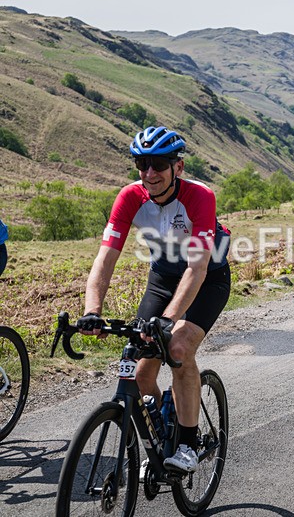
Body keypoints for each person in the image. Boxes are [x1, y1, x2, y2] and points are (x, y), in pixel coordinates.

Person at [77, 126, 231, 474]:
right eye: (141, 163)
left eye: (158, 163)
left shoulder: (199, 196)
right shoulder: (130, 197)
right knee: (140, 369)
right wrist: (92, 310)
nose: (149, 173)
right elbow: (105, 258)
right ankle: (165, 434)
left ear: (178, 167)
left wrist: (169, 318)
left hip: (207, 278)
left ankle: (189, 443)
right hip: (162, 277)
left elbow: (198, 267)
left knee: (177, 349)